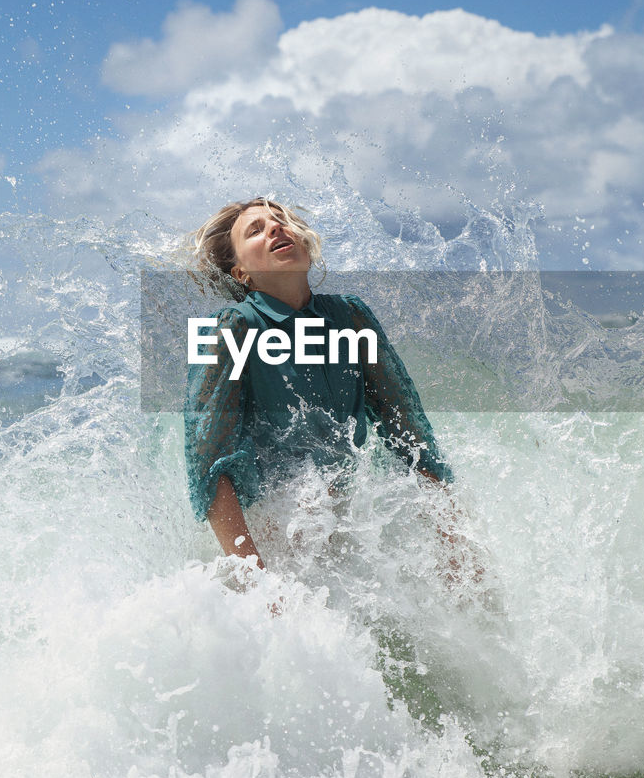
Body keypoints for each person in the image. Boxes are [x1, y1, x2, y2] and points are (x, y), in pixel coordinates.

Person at [184, 197, 459, 575]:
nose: (277, 228)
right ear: (241, 273)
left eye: (281, 221)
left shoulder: (351, 316)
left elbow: (408, 432)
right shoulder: (231, 328)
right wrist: (256, 580)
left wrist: (453, 538)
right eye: (256, 230)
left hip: (347, 528)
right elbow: (210, 467)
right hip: (270, 541)